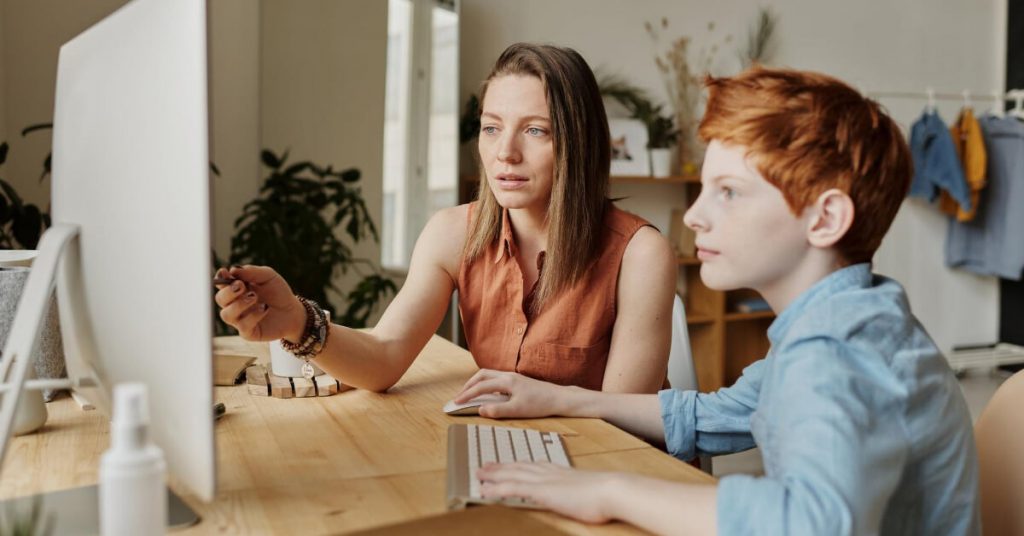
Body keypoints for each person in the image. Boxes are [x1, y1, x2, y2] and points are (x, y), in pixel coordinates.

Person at [456, 68, 980, 535]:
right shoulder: (851, 319)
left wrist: (607, 492)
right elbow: (715, 415)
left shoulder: (837, 352)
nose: (694, 216)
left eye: (727, 191)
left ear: (824, 220)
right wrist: (561, 399)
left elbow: (809, 522)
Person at [214, 43, 676, 394]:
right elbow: (383, 358)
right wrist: (297, 320)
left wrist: (535, 402)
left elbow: (624, 423)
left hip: (613, 473)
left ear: (579, 142)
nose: (505, 153)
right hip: (519, 455)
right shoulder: (453, 233)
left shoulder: (640, 254)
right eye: (492, 127)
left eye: (535, 130)